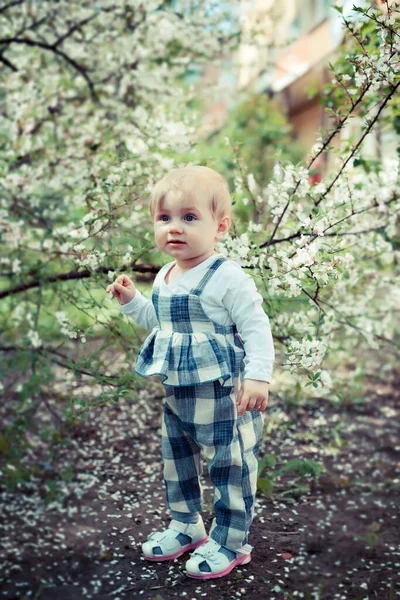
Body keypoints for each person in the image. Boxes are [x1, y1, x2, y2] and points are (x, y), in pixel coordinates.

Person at [106, 165, 274, 579]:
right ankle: (186, 524)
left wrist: (258, 376)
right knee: (176, 459)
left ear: (220, 227)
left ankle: (231, 541)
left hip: (222, 397)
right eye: (164, 219)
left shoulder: (227, 277)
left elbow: (256, 327)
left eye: (189, 217)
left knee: (228, 466)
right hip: (178, 395)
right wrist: (132, 301)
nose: (174, 228)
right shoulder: (165, 275)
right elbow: (160, 321)